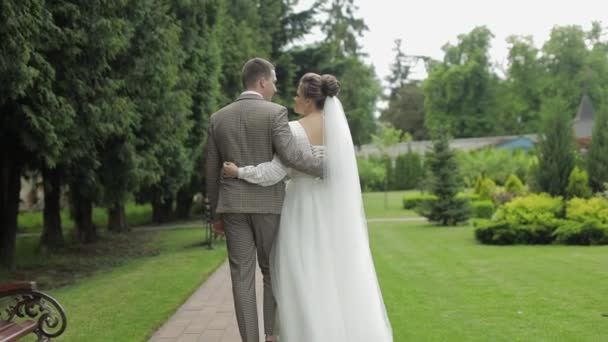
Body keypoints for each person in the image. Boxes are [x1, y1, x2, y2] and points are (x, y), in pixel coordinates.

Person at [222, 73, 393, 341]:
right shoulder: (339, 132)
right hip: (333, 210)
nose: (294, 98)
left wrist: (240, 172)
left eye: (298, 94)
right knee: (337, 272)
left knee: (300, 276)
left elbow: (275, 172)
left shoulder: (291, 129)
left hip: (300, 208)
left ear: (309, 99)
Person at [205, 58, 324, 342]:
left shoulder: (217, 118)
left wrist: (215, 215)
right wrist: (330, 167)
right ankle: (272, 335)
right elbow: (291, 157)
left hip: (232, 209)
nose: (275, 86)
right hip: (269, 206)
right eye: (273, 81)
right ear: (261, 82)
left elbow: (210, 170)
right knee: (271, 271)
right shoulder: (275, 113)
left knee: (241, 278)